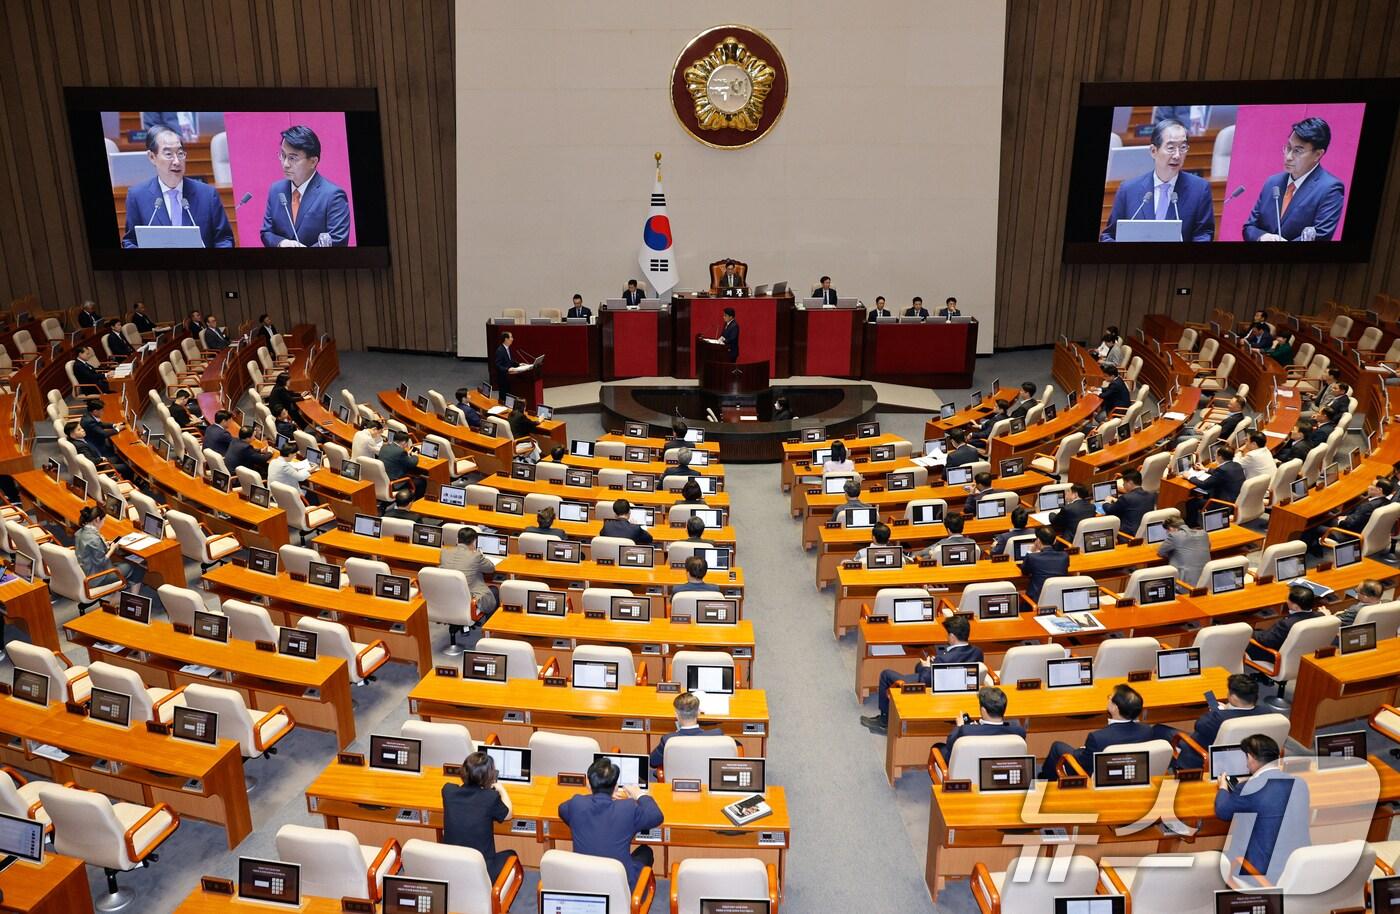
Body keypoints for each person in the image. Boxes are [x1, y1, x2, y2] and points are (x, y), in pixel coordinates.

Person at [861, 615, 983, 733]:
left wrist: (926, 667)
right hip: (961, 691)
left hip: (935, 690)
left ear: (952, 637)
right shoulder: (978, 652)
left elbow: (924, 681)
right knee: (918, 668)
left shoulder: (944, 660)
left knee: (886, 675)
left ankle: (885, 720)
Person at [1215, 734, 1311, 884]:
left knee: (1213, 860)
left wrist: (1223, 787)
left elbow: (1222, 811)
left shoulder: (1249, 788)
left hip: (1259, 874)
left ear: (1251, 757)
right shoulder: (1300, 783)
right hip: (1297, 869)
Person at [1100, 118, 1215, 242]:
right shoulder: (1128, 190)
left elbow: (1204, 235)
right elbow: (1109, 236)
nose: (1177, 155)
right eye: (1171, 148)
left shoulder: (1199, 189)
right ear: (1153, 151)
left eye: (1183, 147)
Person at [557, 757, 664, 889]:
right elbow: (656, 816)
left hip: (583, 881)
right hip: (621, 885)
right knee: (645, 851)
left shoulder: (576, 804)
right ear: (615, 787)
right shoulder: (628, 808)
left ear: (589, 785)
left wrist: (597, 797)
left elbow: (562, 809)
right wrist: (640, 795)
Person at [121, 126, 234, 249]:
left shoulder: (207, 195)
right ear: (152, 157)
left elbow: (224, 240)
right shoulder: (137, 196)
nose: (176, 161)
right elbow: (130, 242)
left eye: (180, 154)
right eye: (168, 154)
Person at [1041, 683, 1178, 779]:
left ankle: (1047, 783)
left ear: (1115, 708)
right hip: (1132, 776)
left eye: (1110, 698)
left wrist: (1084, 749)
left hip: (1094, 777)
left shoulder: (1098, 738)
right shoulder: (1147, 731)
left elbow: (1082, 762)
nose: (1108, 699)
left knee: (1057, 747)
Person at [1242, 116, 1345, 242]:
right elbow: (1249, 227)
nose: (1289, 156)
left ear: (1318, 155)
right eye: (1288, 148)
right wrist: (1262, 237)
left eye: (1297, 151)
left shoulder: (1330, 188)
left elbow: (1321, 235)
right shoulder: (1272, 182)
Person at [260, 124, 351, 247]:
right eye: (283, 155)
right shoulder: (276, 190)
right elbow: (267, 232)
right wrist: (282, 243)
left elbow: (337, 240)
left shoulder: (332, 195)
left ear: (313, 161)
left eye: (292, 158)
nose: (285, 164)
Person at [441, 751, 518, 881]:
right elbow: (508, 815)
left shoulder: (448, 791)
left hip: (452, 864)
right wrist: (501, 789)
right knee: (512, 855)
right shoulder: (490, 797)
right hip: (481, 868)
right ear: (489, 776)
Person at [1174, 674, 1268, 770]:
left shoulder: (1216, 719)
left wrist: (1218, 712)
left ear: (1233, 697)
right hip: (1244, 760)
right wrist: (1227, 710)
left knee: (1160, 731)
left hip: (1200, 757)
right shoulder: (1268, 714)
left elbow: (1199, 725)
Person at [1300, 477, 1393, 555]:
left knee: (1312, 525)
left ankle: (1308, 550)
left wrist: (1342, 520)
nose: (1368, 487)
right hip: (1361, 528)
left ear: (1379, 490)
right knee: (1328, 516)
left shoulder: (1369, 506)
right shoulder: (1387, 502)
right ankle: (1315, 544)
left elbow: (1350, 524)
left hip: (1347, 534)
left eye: (1372, 485)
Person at [938, 687, 1027, 760]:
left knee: (938, 747)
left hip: (970, 767)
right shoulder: (1019, 732)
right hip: (1000, 768)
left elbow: (950, 745)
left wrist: (959, 726)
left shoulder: (966, 730)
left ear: (983, 710)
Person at [1246, 584, 1324, 664]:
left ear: (1295, 607)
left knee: (1245, 637)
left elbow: (1266, 640)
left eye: (1288, 599)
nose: (1286, 601)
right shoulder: (1321, 616)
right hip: (1304, 655)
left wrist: (1249, 632)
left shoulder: (1286, 624)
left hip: (1274, 656)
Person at [75, 505, 144, 594]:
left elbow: (90, 550)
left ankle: (121, 590)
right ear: (97, 519)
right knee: (137, 567)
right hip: (98, 577)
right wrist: (112, 549)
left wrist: (104, 545)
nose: (104, 523)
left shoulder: (79, 532)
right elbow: (101, 562)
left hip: (86, 570)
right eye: (104, 521)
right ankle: (131, 598)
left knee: (123, 564)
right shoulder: (94, 539)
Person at [648, 692, 722, 771]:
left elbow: (652, 762)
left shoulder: (668, 740)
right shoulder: (717, 735)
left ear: (676, 715)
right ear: (699, 712)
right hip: (708, 781)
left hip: (677, 782)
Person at [439, 527, 498, 616]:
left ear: (457, 540)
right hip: (469, 598)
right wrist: (480, 555)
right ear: (474, 541)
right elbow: (491, 568)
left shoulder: (444, 552)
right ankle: (488, 626)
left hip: (447, 595)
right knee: (494, 591)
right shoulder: (476, 556)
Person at [1185, 443, 1243, 526]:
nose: (1215, 456)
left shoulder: (1222, 470)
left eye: (1216, 454)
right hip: (1233, 499)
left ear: (1220, 457)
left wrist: (1189, 477)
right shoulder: (1237, 465)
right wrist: (1205, 469)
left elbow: (1204, 484)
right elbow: (1221, 474)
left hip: (1222, 504)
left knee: (1191, 502)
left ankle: (1192, 525)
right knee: (1207, 492)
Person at [1157, 515, 1210, 589]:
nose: (1167, 533)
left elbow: (1161, 552)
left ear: (1172, 529)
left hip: (1185, 586)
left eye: (1167, 531)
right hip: (1206, 581)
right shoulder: (1203, 534)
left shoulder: (1174, 536)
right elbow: (1208, 547)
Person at [1020, 527, 1069, 607]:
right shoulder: (1064, 556)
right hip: (1059, 600)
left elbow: (1024, 571)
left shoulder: (1032, 557)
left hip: (1036, 601)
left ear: (1038, 541)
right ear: (1055, 541)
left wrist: (1031, 551)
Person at [1103, 469, 1155, 536]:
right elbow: (1135, 504)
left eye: (1124, 483)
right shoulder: (1151, 495)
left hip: (1126, 535)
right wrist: (1117, 501)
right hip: (1144, 534)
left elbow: (1110, 510)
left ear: (1130, 483)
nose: (1123, 485)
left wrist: (1106, 502)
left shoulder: (1126, 498)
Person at [378, 433, 426, 499]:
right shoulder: (400, 452)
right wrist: (415, 456)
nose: (406, 445)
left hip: (385, 480)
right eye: (407, 443)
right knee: (421, 481)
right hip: (395, 483)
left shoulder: (384, 447)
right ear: (403, 442)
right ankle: (412, 502)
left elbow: (396, 457)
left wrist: (406, 455)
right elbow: (412, 464)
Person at [494, 331, 520, 397]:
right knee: (503, 397)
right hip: (503, 378)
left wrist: (519, 364)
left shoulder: (507, 348)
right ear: (506, 339)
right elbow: (497, 365)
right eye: (511, 337)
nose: (512, 339)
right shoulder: (500, 350)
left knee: (509, 396)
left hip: (508, 378)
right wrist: (507, 369)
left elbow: (509, 361)